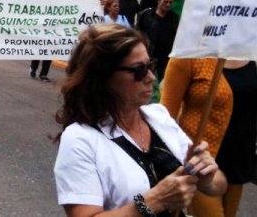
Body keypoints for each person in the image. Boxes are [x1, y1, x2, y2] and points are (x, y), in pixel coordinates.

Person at [54, 24, 227, 216]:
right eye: (139, 70)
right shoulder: (80, 138)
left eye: (150, 66)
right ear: (103, 76)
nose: (151, 77)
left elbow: (218, 187)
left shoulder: (159, 116)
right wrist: (154, 201)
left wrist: (207, 174)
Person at [161, 59, 257, 217]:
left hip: (239, 160)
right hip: (200, 163)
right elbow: (164, 118)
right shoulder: (189, 56)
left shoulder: (249, 53)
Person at [136, 0, 179, 81]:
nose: (168, 5)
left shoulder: (174, 18)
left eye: (170, 2)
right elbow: (138, 33)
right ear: (158, 1)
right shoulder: (146, 16)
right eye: (165, 2)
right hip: (149, 56)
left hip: (167, 58)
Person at [30, 0, 53, 82]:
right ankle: (33, 68)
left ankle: (43, 74)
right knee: (37, 54)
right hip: (38, 35)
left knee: (48, 55)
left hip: (51, 36)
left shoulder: (55, 8)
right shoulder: (36, 7)